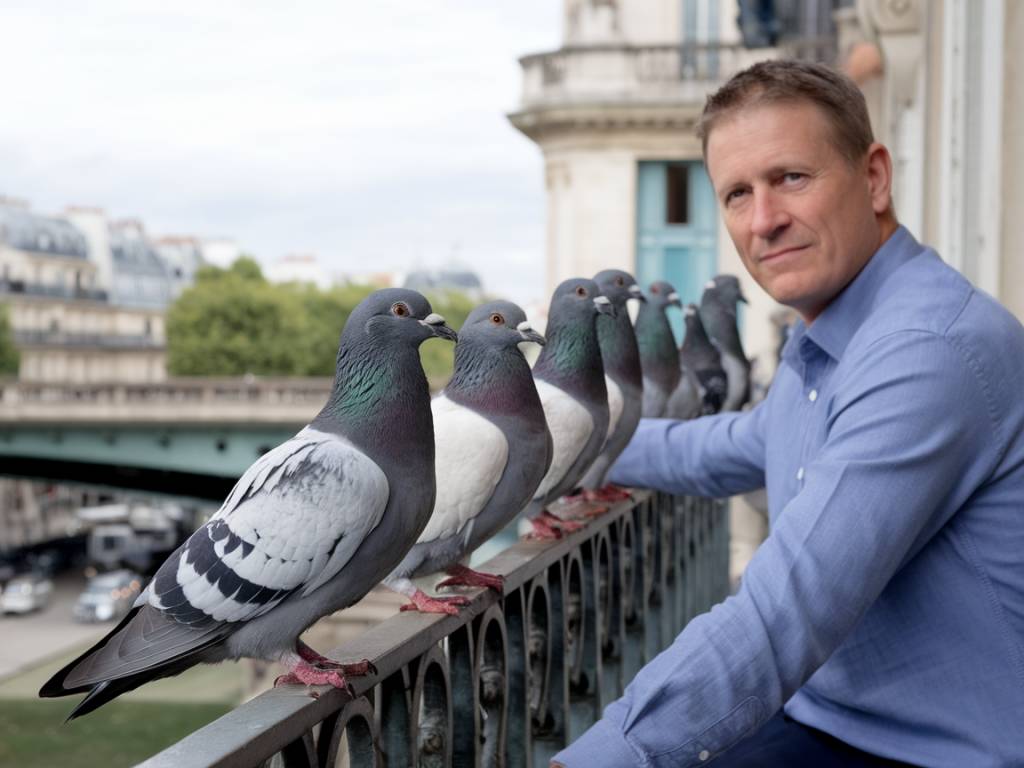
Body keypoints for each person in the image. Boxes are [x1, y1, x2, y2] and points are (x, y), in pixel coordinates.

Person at [553, 60, 1024, 767]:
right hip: (826, 720)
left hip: (933, 750)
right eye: (738, 194)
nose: (764, 221)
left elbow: (784, 613)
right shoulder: (827, 337)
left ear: (874, 179)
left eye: (791, 179)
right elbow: (725, 446)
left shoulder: (923, 350)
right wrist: (550, 438)